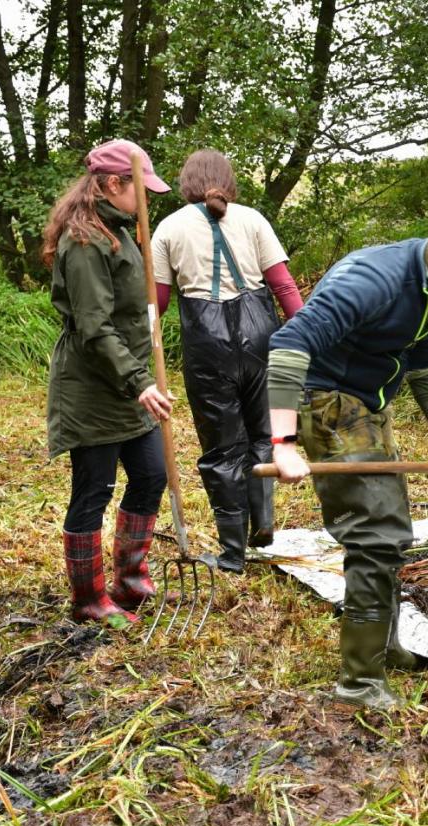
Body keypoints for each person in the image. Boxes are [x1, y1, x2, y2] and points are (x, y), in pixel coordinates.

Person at [267, 211, 428, 709]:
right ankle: (359, 682)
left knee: (391, 526)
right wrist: (283, 444)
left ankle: (385, 644)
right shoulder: (370, 282)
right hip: (325, 398)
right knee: (375, 534)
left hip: (368, 404)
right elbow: (289, 344)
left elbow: (423, 364)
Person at [151, 149, 303, 572]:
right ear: (228, 181)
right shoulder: (253, 219)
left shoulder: (167, 229)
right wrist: (309, 334)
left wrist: (138, 340)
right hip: (261, 337)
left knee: (222, 448)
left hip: (207, 344)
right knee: (263, 434)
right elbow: (283, 286)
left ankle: (233, 553)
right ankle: (263, 523)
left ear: (186, 184)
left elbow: (157, 303)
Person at [44, 139, 173, 624]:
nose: (147, 200)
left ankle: (130, 579)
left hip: (130, 384)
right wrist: (140, 380)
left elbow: (132, 311)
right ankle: (89, 600)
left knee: (151, 475)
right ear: (114, 183)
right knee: (93, 490)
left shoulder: (121, 231)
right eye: (141, 189)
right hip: (95, 388)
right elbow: (94, 328)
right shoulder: (85, 242)